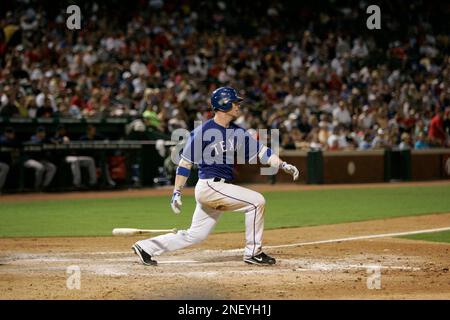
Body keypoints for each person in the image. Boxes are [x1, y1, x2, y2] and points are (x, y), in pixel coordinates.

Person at [131, 87, 300, 266]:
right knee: (257, 202)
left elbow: (262, 152)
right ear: (224, 104)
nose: (238, 106)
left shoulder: (237, 131)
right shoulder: (203, 131)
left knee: (195, 235)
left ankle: (146, 247)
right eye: (235, 102)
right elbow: (185, 163)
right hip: (210, 186)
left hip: (219, 188)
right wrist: (176, 192)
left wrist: (281, 164)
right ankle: (253, 253)